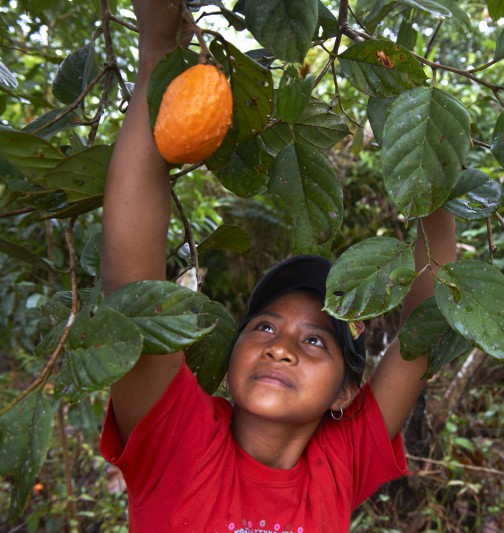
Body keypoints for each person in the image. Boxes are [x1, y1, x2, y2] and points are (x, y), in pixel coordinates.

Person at [99, 1, 456, 531]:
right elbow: (131, 288)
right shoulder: (178, 439)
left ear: (345, 393)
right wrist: (157, 52)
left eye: (316, 340)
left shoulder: (341, 463)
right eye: (264, 325)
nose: (280, 347)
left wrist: (428, 154)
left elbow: (424, 327)